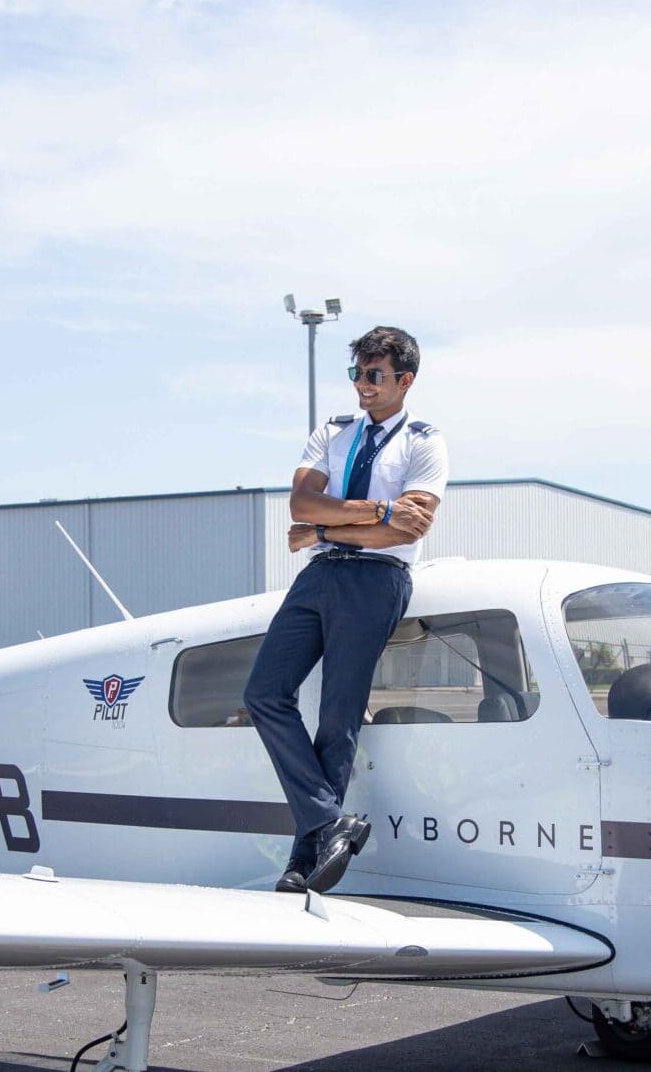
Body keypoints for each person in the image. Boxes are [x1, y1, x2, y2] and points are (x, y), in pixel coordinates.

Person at [243, 325, 447, 893]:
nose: (362, 384)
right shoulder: (331, 432)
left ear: (405, 381)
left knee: (338, 715)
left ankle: (303, 859)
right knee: (263, 693)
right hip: (320, 576)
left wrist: (324, 529)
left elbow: (410, 528)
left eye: (375, 375)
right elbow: (301, 502)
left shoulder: (425, 442)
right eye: (357, 373)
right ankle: (331, 823)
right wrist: (376, 512)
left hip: (377, 580)